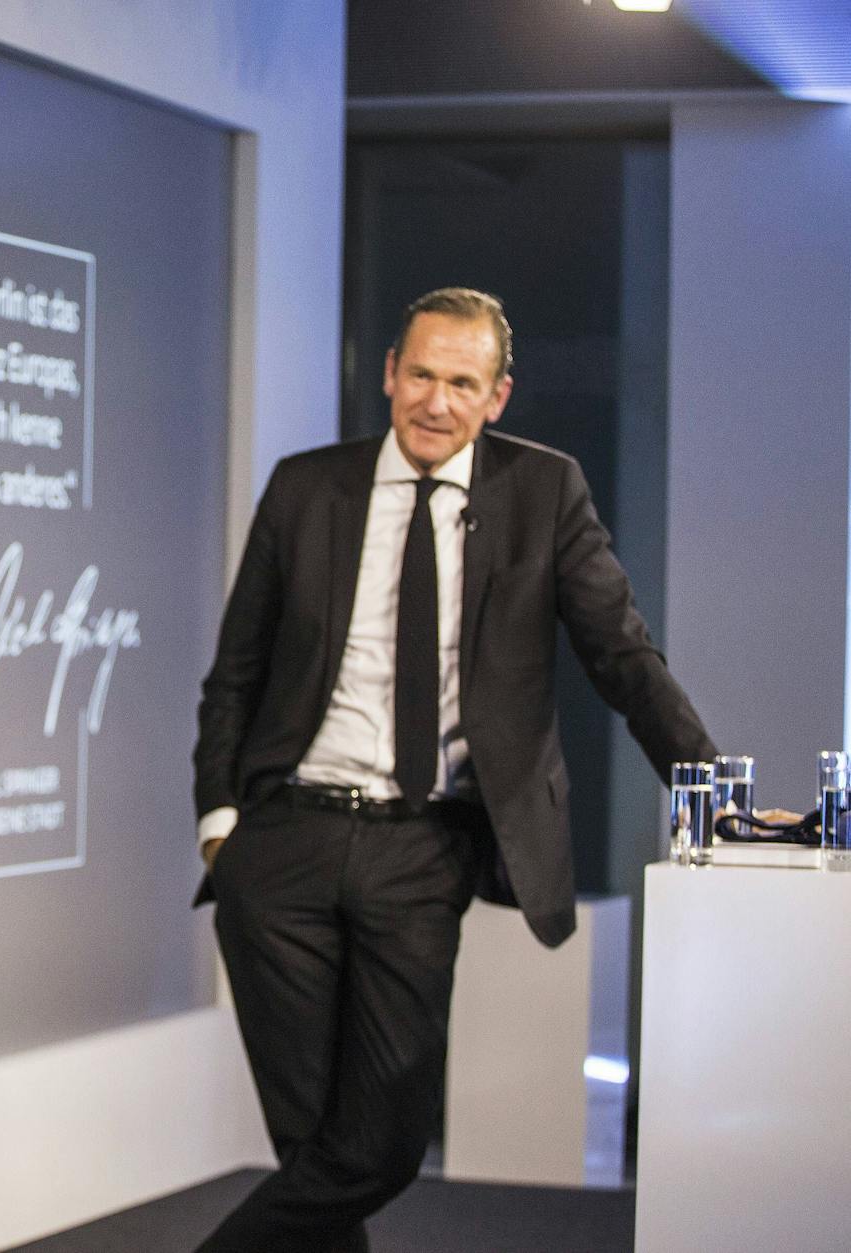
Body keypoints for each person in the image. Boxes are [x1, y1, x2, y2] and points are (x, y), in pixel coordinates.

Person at [191, 287, 714, 1252]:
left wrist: (709, 784)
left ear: (498, 395)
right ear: (390, 373)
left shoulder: (544, 490)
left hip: (422, 847)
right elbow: (237, 668)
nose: (437, 400)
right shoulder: (308, 486)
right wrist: (221, 825)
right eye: (421, 374)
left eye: (462, 382)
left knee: (382, 1144)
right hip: (283, 847)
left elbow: (623, 655)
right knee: (315, 1144)